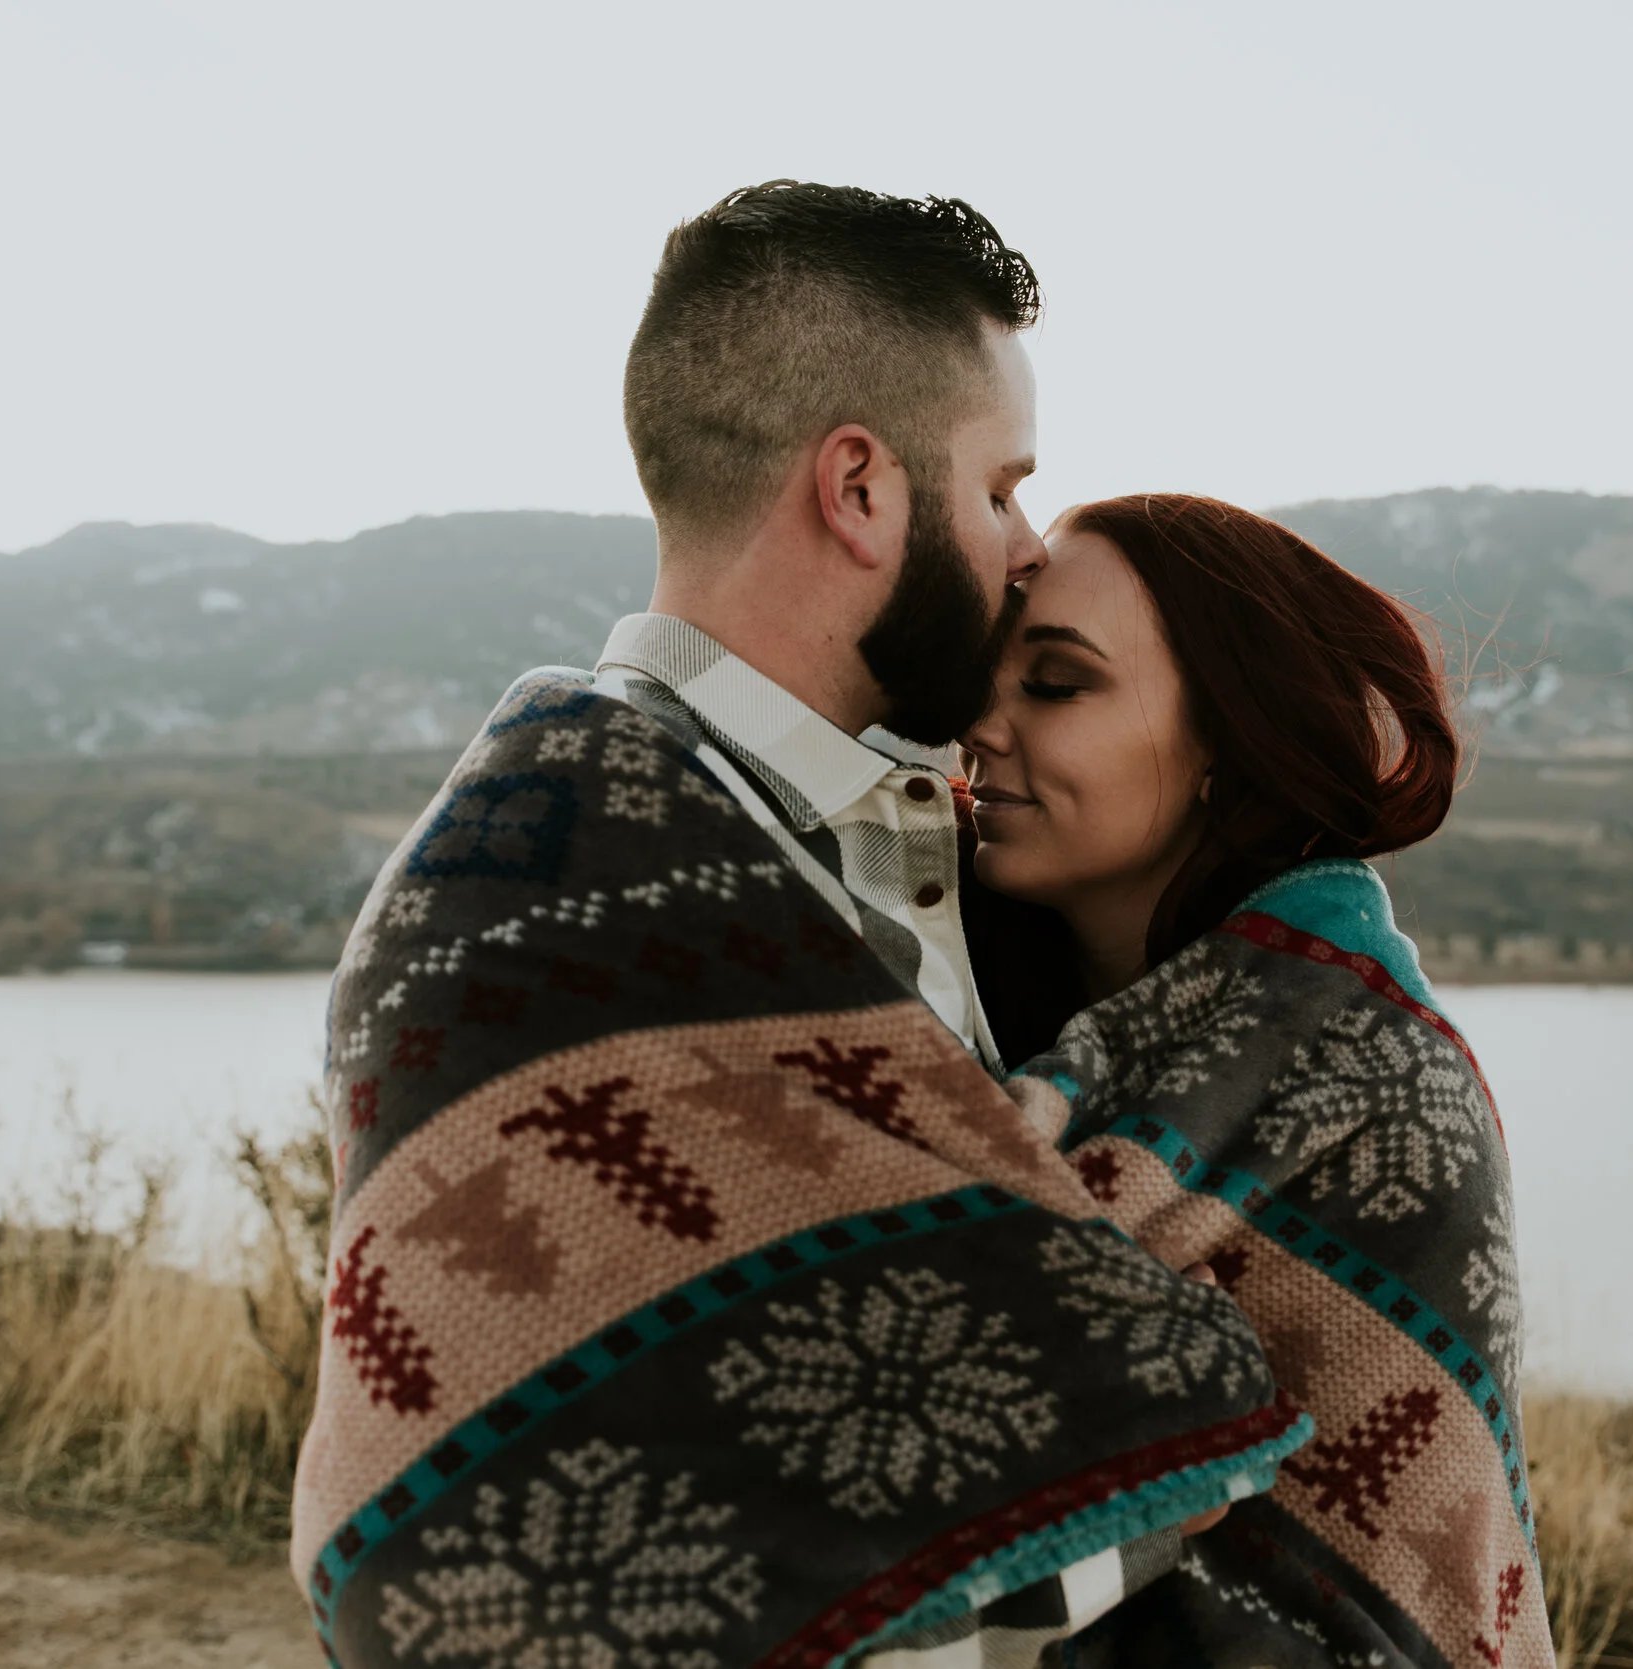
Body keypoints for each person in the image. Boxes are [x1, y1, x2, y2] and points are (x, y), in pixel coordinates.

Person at [290, 186, 1312, 1669]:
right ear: (860, 487)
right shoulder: (530, 895)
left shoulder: (948, 841)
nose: (1027, 546)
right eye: (1001, 486)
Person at [959, 493, 1549, 1669]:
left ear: (1226, 745)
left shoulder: (1370, 1076)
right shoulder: (970, 1015)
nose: (977, 722)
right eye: (988, 674)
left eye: (1057, 683)